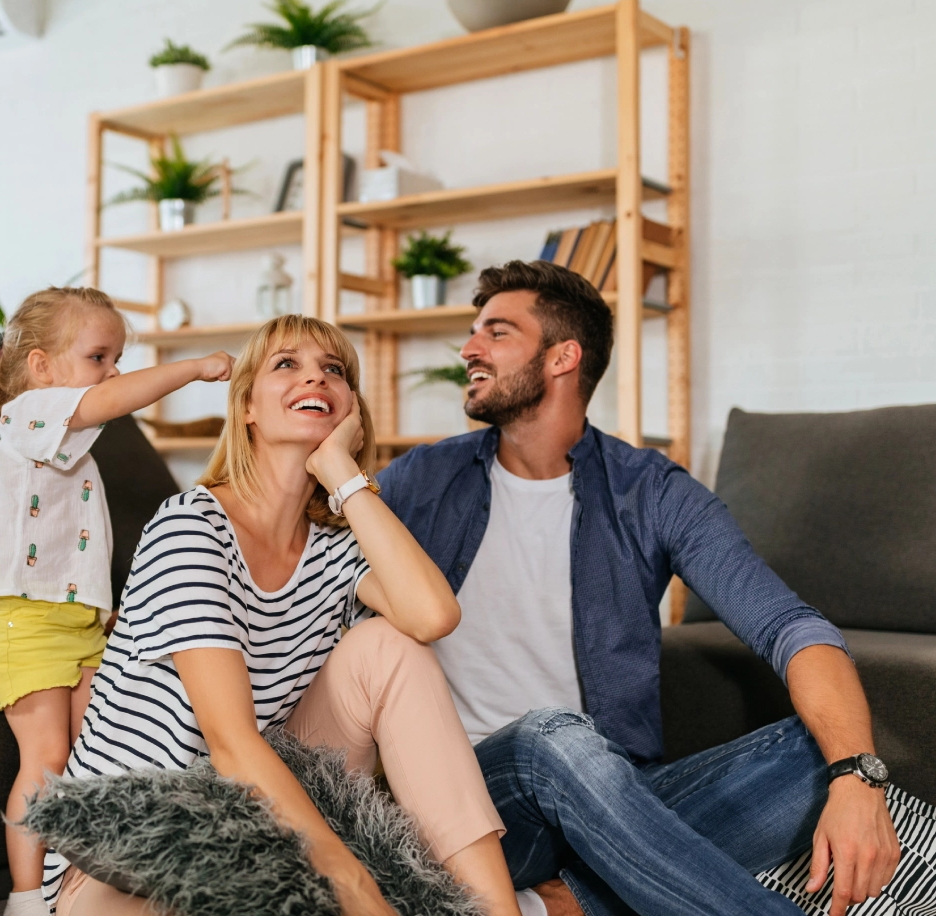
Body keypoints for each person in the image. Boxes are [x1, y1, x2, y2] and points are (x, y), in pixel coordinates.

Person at [377, 260, 901, 916]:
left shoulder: (648, 490)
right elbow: (291, 532)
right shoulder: (420, 480)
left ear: (563, 356)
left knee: (823, 751)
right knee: (552, 739)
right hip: (476, 798)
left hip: (608, 795)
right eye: (473, 332)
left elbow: (789, 626)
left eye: (496, 332)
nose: (469, 349)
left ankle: (563, 902)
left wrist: (857, 776)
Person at [43, 314, 527, 916]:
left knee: (389, 648)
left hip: (260, 821)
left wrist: (343, 475)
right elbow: (230, 742)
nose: (315, 379)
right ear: (246, 406)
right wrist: (354, 889)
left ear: (350, 407)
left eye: (335, 371)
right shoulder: (189, 526)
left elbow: (432, 616)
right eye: (287, 365)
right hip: (132, 850)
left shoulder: (335, 548)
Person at [0, 285, 235, 916]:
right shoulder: (27, 415)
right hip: (22, 620)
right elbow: (106, 402)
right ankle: (25, 900)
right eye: (99, 357)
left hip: (76, 621)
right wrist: (191, 366)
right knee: (48, 758)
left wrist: (99, 605)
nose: (113, 375)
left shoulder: (67, 442)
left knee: (97, 754)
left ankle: (82, 882)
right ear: (43, 368)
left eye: (117, 360)